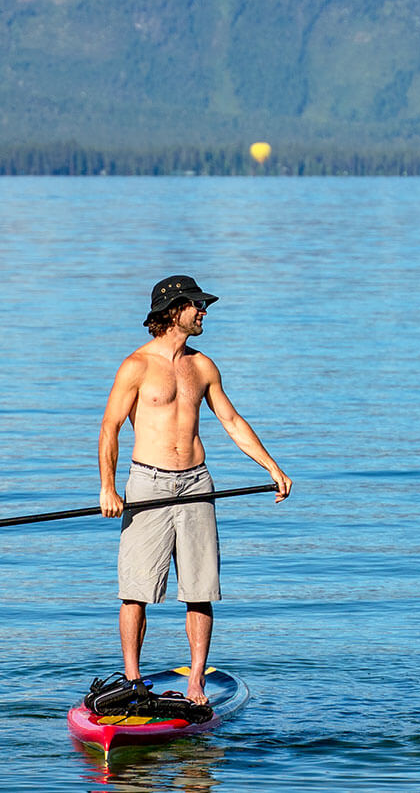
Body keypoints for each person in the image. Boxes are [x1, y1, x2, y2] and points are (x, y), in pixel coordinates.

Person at [99, 275, 291, 704]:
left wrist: (272, 467)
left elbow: (233, 422)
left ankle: (196, 683)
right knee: (136, 590)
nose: (204, 312)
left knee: (200, 590)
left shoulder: (202, 366)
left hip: (197, 483)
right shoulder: (136, 366)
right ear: (173, 310)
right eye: (197, 305)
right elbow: (109, 427)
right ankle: (132, 682)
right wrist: (108, 489)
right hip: (147, 482)